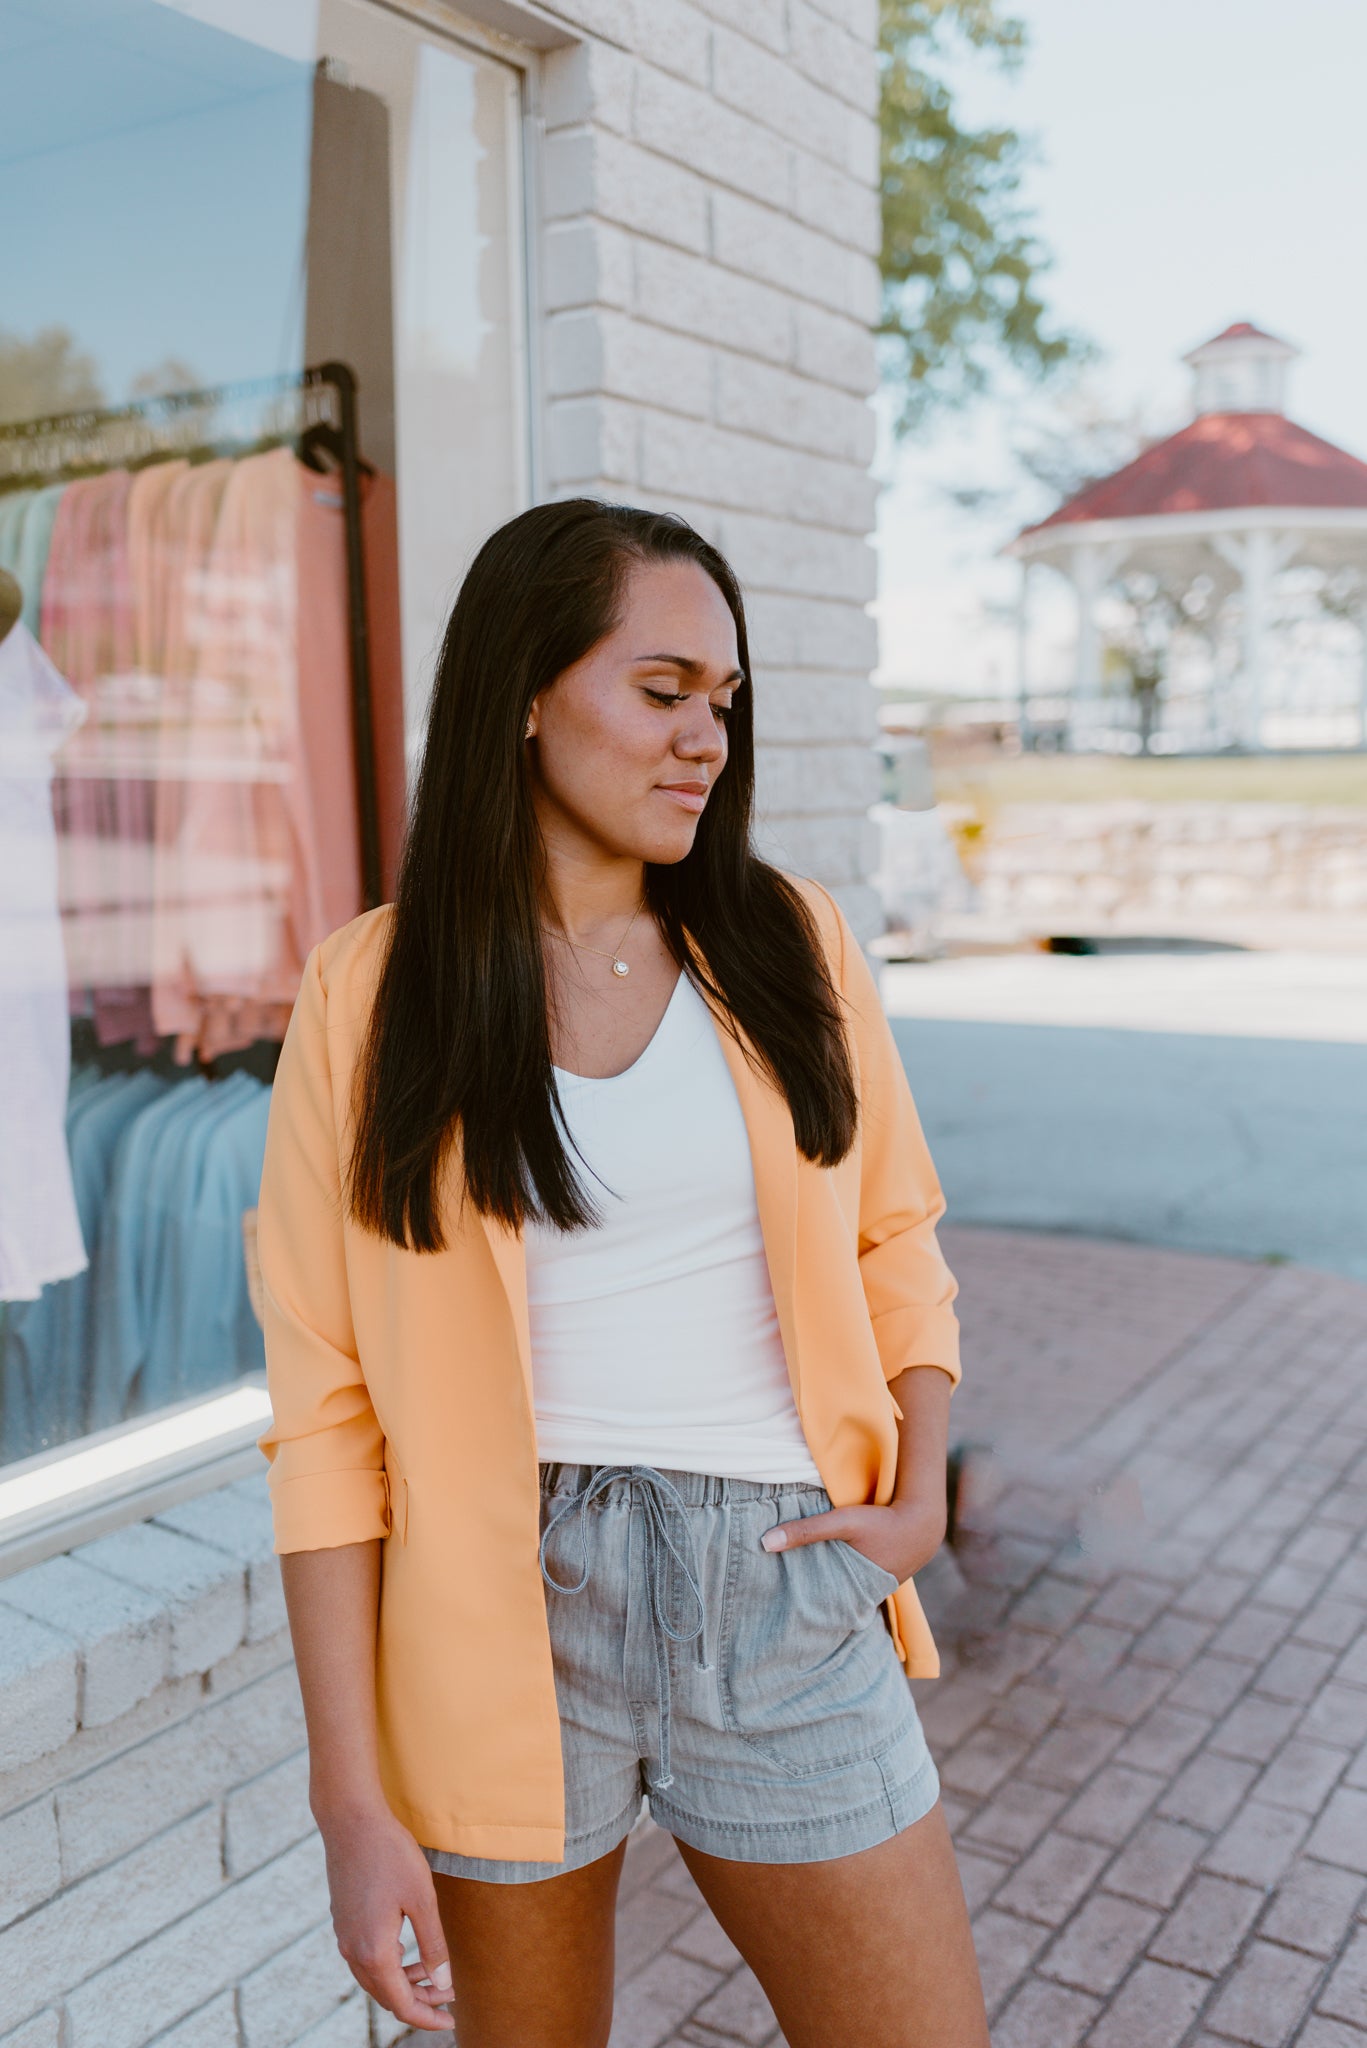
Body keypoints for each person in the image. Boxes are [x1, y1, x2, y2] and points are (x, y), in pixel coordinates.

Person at [256, 500, 989, 2047]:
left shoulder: (790, 941)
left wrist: (920, 1495)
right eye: (661, 692)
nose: (703, 741)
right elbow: (326, 1421)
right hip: (499, 1614)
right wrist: (350, 1798)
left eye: (722, 704)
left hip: (783, 1586)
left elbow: (894, 1237)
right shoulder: (370, 995)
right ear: (525, 692)